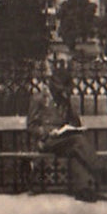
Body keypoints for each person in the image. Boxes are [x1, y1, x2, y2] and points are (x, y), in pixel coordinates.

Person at [27, 67, 101, 201]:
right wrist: (49, 132)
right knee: (78, 142)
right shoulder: (39, 99)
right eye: (60, 88)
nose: (62, 92)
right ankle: (100, 169)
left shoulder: (63, 101)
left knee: (75, 150)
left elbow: (74, 121)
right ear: (52, 85)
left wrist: (74, 127)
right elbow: (31, 126)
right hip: (48, 141)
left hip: (65, 141)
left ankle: (83, 190)